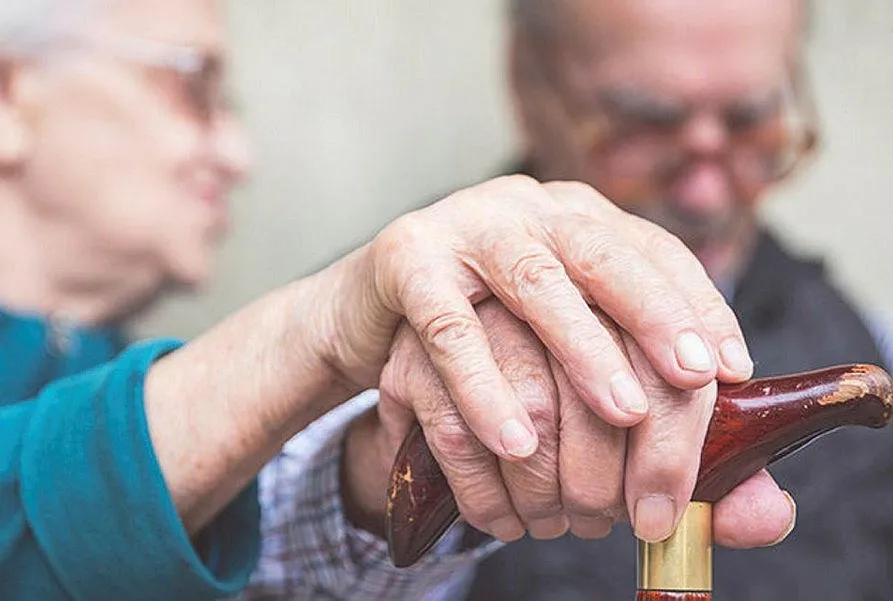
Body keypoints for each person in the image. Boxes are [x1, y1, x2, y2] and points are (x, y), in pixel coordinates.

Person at [0, 0, 798, 599]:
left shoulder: (98, 363)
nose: (240, 156)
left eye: (753, 124)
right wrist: (314, 327)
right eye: (194, 87)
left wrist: (384, 468)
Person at [460, 0, 893, 599]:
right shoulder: (386, 360)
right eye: (647, 124)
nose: (707, 195)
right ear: (528, 86)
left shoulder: (868, 342)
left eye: (750, 120)